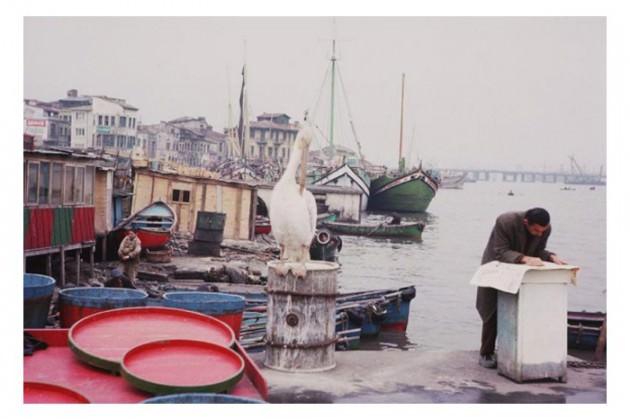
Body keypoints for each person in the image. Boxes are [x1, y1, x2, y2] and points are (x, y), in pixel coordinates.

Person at [476, 207, 566, 368]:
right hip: (495, 267)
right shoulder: (505, 221)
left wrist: (551, 256)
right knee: (490, 311)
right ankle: (486, 352)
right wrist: (524, 258)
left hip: (521, 270)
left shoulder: (545, 229)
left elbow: (539, 250)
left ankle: (515, 351)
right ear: (526, 223)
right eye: (536, 230)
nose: (540, 234)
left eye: (542, 231)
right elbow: (500, 251)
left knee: (521, 310)